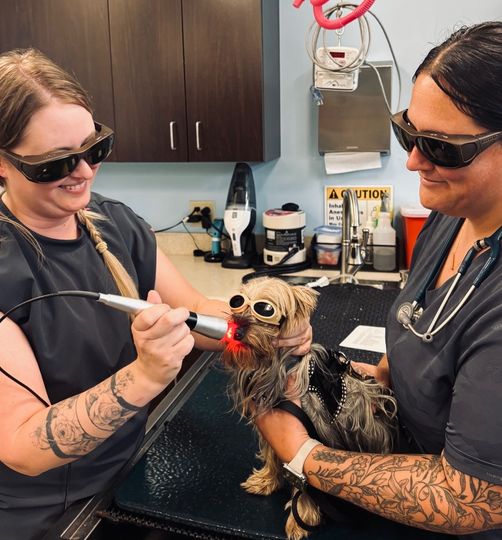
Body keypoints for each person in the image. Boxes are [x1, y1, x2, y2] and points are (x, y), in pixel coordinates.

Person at [0, 48, 310, 540]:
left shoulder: (113, 221)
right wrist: (143, 377)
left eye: (94, 148)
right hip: (47, 516)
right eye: (55, 164)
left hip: (127, 475)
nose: (83, 171)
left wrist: (267, 327)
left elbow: (196, 311)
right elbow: (21, 443)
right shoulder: (7, 267)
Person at [256, 21, 502, 540]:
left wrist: (301, 453)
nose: (413, 161)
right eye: (407, 132)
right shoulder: (452, 215)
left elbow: (469, 498)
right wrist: (378, 379)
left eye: (441, 147)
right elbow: (427, 331)